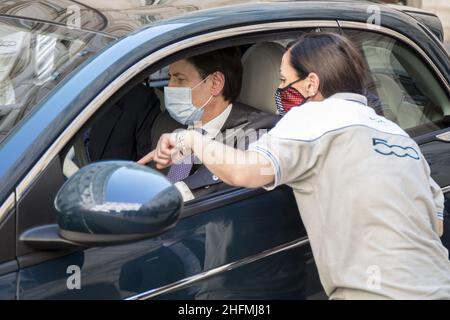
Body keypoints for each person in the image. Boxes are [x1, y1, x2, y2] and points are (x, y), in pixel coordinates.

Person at [140, 32, 450, 300]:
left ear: (311, 83)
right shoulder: (395, 133)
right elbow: (435, 224)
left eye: (285, 81)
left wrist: (191, 141)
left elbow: (243, 171)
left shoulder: (311, 118)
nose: (279, 92)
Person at [143, 47, 280, 201]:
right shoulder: (165, 124)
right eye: (170, 78)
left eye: (180, 79)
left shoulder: (257, 134)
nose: (170, 87)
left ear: (215, 83)